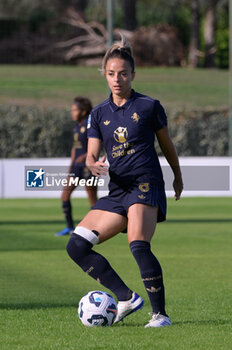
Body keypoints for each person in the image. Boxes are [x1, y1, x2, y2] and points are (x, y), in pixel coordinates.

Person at [66, 36, 183, 327]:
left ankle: (160, 315)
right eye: (111, 74)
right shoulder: (97, 114)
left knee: (138, 245)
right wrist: (92, 164)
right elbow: (92, 154)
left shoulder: (148, 106)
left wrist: (178, 176)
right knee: (76, 246)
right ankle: (126, 297)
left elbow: (167, 145)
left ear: (132, 75)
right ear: (104, 74)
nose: (117, 79)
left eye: (123, 73)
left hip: (146, 184)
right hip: (117, 190)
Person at [56, 97, 97, 236]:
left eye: (75, 110)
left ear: (83, 111)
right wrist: (71, 165)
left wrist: (86, 156)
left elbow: (97, 143)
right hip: (76, 167)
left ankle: (95, 227)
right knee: (65, 195)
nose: (72, 112)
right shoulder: (76, 126)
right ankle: (69, 227)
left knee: (92, 198)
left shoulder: (90, 124)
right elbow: (75, 148)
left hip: (88, 167)